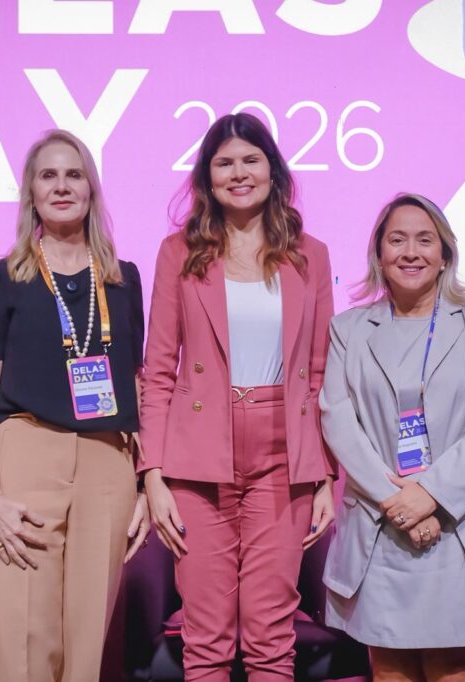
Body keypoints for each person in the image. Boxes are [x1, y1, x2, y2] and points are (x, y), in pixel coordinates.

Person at [140, 112, 336, 681]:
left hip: (283, 457)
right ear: (207, 178)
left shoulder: (311, 254)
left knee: (272, 634)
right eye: (224, 162)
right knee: (205, 636)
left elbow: (319, 373)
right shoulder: (179, 253)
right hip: (197, 461)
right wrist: (153, 475)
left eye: (251, 160)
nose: (238, 172)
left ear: (273, 171)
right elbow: (157, 372)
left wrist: (323, 472)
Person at [320, 193, 465, 681]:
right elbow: (337, 419)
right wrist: (399, 501)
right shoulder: (348, 329)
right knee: (388, 668)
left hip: (461, 525)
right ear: (378, 253)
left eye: (424, 240)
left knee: (453, 667)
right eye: (397, 240)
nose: (410, 252)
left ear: (445, 254)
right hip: (380, 522)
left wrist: (430, 496)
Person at [0, 129, 149, 682]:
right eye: (49, 175)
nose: (62, 185)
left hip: (106, 464)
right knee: (27, 640)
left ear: (91, 189)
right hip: (26, 454)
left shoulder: (124, 279)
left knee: (85, 645)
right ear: (31, 193)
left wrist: (142, 485)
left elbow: (135, 386)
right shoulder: (2, 277)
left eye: (74, 174)